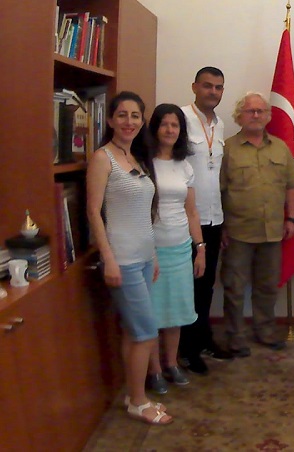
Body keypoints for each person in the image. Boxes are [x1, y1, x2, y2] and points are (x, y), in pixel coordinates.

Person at [86, 91, 172, 425]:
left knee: (133, 332)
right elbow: (94, 211)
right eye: (122, 115)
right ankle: (138, 401)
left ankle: (132, 393)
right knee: (146, 332)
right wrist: (107, 258)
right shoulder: (103, 158)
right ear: (110, 120)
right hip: (121, 259)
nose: (129, 121)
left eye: (135, 115)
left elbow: (142, 213)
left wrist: (154, 255)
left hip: (144, 257)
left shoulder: (136, 157)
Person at [221, 92, 294, 357]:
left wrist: (292, 218)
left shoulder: (280, 147)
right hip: (238, 232)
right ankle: (235, 337)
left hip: (273, 231)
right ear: (239, 116)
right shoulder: (227, 149)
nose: (255, 115)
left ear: (268, 116)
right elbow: (217, 191)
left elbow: (291, 186)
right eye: (250, 111)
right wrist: (222, 227)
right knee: (234, 288)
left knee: (267, 287)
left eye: (260, 111)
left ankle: (265, 332)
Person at [144, 104, 206, 394]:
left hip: (180, 248)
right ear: (155, 128)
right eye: (164, 124)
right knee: (153, 313)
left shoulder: (184, 165)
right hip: (152, 250)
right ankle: (154, 369)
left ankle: (171, 363)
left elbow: (191, 211)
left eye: (175, 125)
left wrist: (200, 248)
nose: (169, 130)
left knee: (176, 311)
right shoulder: (143, 163)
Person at [179, 66, 233, 376]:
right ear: (194, 87)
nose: (213, 92)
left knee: (206, 285)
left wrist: (222, 222)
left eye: (218, 87)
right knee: (188, 285)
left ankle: (203, 338)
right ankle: (187, 348)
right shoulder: (181, 119)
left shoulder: (220, 124)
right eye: (208, 86)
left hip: (213, 218)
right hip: (186, 219)